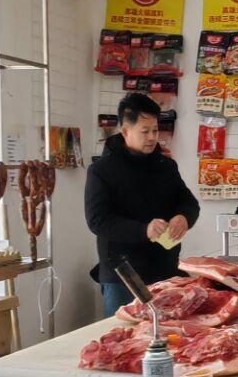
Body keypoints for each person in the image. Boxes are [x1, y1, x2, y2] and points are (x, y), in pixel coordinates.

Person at [84, 92, 198, 318]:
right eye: (145, 131)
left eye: (155, 130)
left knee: (167, 333)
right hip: (123, 275)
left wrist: (183, 217)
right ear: (126, 131)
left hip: (165, 270)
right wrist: (143, 230)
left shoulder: (166, 166)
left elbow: (188, 202)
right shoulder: (102, 170)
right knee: (124, 335)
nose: (152, 137)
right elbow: (97, 220)